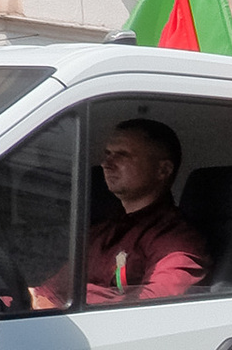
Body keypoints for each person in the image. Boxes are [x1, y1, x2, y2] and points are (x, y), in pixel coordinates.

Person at [33, 117, 211, 308]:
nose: (106, 164)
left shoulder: (177, 242)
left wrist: (77, 298)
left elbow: (156, 306)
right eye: (107, 154)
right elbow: (49, 292)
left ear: (163, 170)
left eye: (122, 155)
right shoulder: (101, 232)